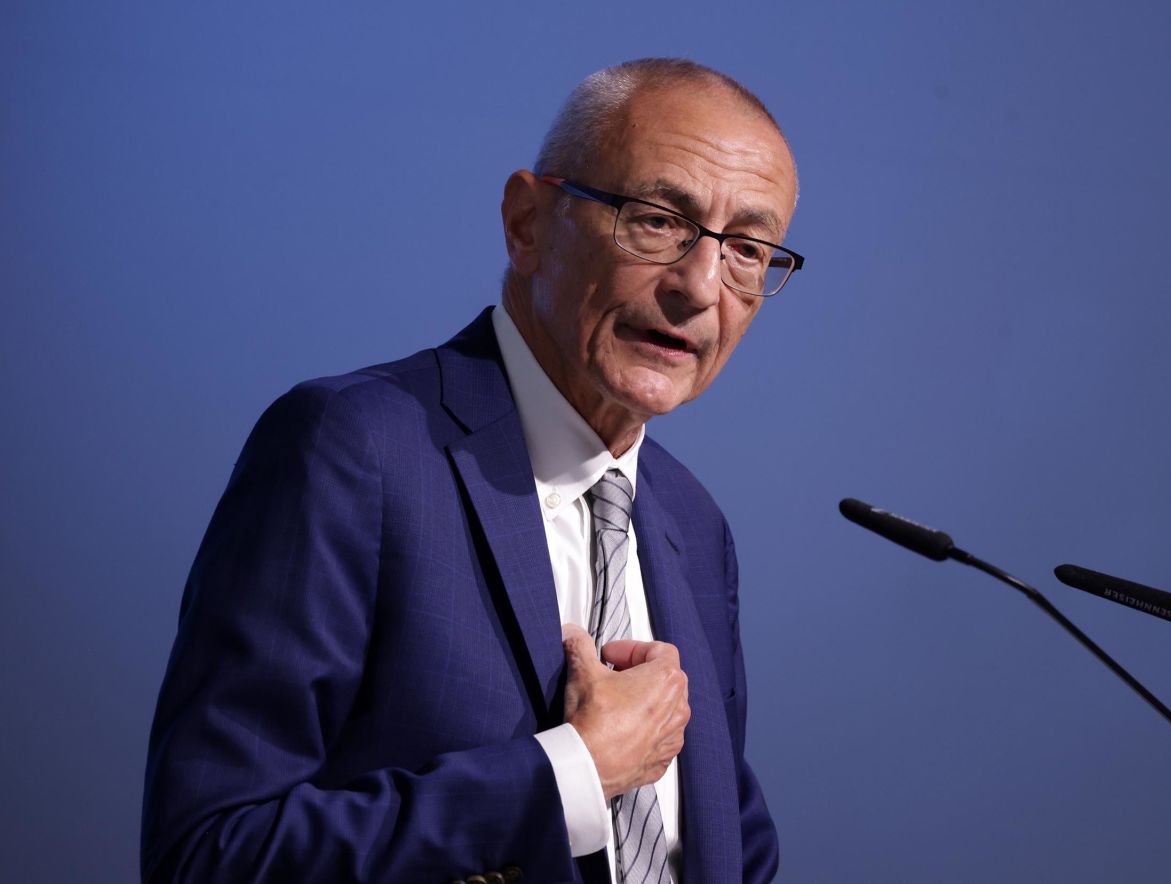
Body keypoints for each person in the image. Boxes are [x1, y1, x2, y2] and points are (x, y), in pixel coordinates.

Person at [141, 57, 803, 884]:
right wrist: (567, 777)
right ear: (527, 222)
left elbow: (731, 852)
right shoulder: (354, 449)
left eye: (747, 248)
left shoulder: (693, 526)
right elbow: (209, 853)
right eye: (658, 219)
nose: (702, 286)